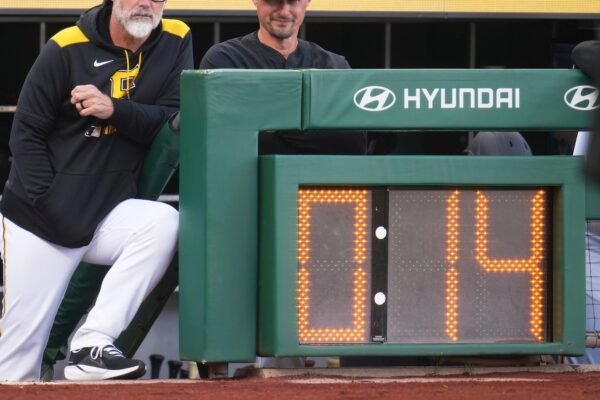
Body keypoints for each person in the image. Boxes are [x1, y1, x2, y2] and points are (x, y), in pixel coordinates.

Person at [0, 0, 193, 382]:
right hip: (39, 221)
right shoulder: (65, 46)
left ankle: (93, 342)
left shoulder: (176, 38)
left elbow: (171, 119)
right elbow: (25, 136)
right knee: (17, 360)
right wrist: (49, 203)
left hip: (107, 213)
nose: (145, 3)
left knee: (162, 222)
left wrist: (114, 110)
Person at [199, 0, 367, 155]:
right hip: (242, 184)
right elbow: (226, 138)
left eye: (292, 2)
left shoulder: (333, 66)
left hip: (316, 184)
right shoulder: (225, 60)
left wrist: (267, 124)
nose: (284, 12)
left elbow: (353, 142)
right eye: (274, 1)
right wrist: (314, 127)